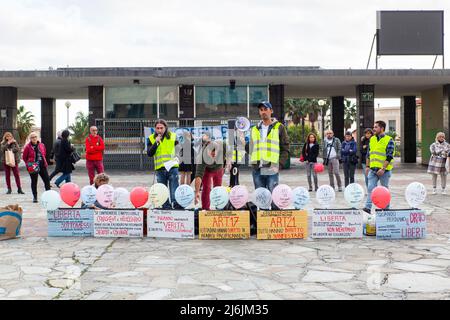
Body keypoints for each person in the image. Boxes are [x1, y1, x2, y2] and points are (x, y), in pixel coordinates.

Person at [248, 101, 290, 193]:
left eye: (265, 109)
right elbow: (251, 149)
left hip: (271, 168)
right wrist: (243, 142)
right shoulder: (254, 129)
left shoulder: (279, 127)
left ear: (271, 111)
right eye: (261, 110)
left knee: (274, 198)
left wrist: (279, 165)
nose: (263, 112)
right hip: (257, 169)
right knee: (261, 199)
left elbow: (285, 149)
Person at [147, 119, 180, 209]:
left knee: (174, 186)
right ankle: (166, 206)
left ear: (165, 128)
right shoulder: (151, 138)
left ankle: (176, 204)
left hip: (172, 167)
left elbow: (179, 148)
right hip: (160, 168)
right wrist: (156, 143)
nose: (159, 130)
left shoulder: (173, 136)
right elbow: (149, 153)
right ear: (155, 129)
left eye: (161, 128)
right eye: (157, 128)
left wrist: (177, 157)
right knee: (162, 189)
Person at [363, 121, 395, 213]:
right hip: (372, 170)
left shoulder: (389, 140)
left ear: (382, 128)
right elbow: (369, 154)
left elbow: (389, 156)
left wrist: (383, 168)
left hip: (384, 171)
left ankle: (386, 209)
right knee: (370, 188)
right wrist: (367, 166)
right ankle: (368, 208)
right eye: (374, 127)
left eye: (376, 127)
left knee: (384, 190)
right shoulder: (372, 139)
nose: (374, 129)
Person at [194, 134, 230, 210]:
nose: (213, 155)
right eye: (211, 154)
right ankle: (206, 208)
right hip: (207, 169)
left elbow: (228, 153)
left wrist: (229, 161)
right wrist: (197, 192)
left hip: (219, 168)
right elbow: (198, 176)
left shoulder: (222, 144)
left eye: (214, 154)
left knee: (218, 188)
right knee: (206, 189)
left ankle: (219, 206)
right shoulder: (201, 157)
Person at [22, 132, 51, 203]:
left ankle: (49, 196)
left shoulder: (42, 145)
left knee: (47, 180)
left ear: (37, 137)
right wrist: (28, 164)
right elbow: (24, 157)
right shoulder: (28, 147)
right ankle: (35, 197)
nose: (34, 138)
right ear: (30, 139)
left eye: (35, 137)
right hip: (33, 166)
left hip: (42, 165)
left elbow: (44, 153)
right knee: (34, 182)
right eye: (32, 137)